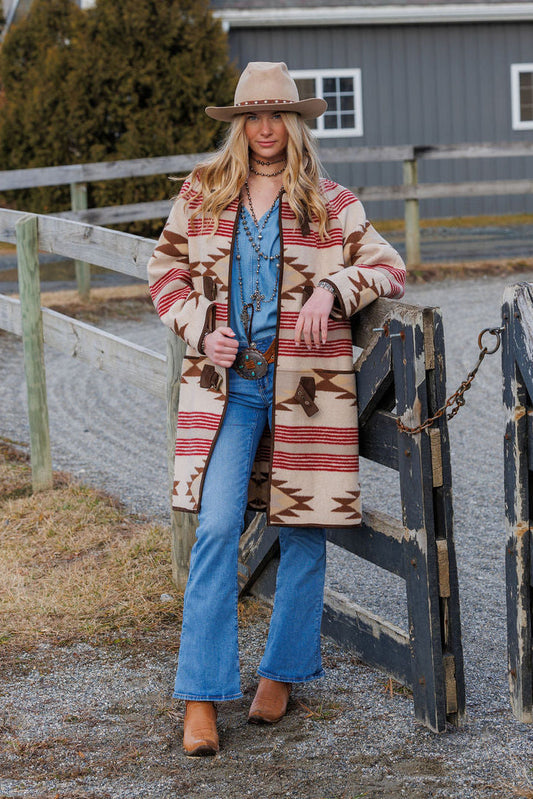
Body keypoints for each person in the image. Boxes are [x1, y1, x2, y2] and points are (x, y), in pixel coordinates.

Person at [147, 61, 406, 756]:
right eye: (251, 117)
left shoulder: (330, 202)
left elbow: (390, 267)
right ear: (238, 126)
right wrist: (202, 326)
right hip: (230, 388)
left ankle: (283, 672)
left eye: (276, 115)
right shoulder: (202, 194)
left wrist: (334, 290)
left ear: (294, 121)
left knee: (303, 528)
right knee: (216, 526)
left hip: (307, 395)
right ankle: (200, 692)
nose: (264, 129)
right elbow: (164, 271)